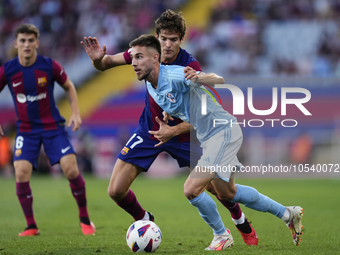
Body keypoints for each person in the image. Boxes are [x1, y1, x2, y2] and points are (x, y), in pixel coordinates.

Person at [81, 10, 257, 249]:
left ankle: (240, 222)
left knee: (220, 190)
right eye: (163, 38)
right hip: (150, 130)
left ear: (181, 40)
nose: (167, 44)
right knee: (115, 190)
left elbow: (211, 104)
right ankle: (144, 221)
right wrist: (96, 60)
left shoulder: (189, 65)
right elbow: (106, 63)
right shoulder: (143, 52)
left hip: (185, 135)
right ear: (157, 37)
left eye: (173, 39)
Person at [128, 34, 304, 248]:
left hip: (222, 132)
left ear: (155, 58)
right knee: (228, 192)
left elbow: (217, 79)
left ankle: (221, 235)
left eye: (139, 57)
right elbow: (176, 102)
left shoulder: (175, 74)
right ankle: (287, 213)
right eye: (132, 58)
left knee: (191, 189)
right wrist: (168, 115)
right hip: (213, 135)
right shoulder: (150, 84)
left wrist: (199, 77)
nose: (134, 63)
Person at [0, 24, 96, 236]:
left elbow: (69, 86)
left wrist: (76, 113)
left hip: (53, 127)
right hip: (26, 130)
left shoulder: (49, 66)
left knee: (71, 169)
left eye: (30, 40)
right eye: (22, 40)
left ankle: (85, 219)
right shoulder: (7, 70)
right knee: (21, 172)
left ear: (37, 43)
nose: (26, 44)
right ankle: (31, 226)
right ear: (16, 43)